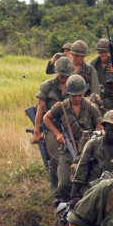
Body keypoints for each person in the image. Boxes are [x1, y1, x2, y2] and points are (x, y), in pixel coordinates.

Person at [43, 75, 103, 203]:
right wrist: (57, 134)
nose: (76, 98)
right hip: (67, 151)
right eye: (73, 95)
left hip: (87, 151)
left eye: (79, 95)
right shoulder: (62, 106)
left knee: (89, 184)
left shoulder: (91, 107)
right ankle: (70, 205)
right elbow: (46, 118)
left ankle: (83, 206)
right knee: (63, 184)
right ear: (68, 93)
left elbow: (100, 127)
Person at [33, 56, 75, 190]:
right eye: (62, 74)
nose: (64, 77)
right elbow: (40, 109)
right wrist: (36, 131)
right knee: (55, 157)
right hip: (51, 126)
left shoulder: (74, 85)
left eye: (67, 75)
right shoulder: (48, 86)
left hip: (70, 126)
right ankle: (57, 188)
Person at [68, 110, 113, 206]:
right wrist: (72, 197)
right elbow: (81, 172)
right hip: (92, 191)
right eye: (110, 130)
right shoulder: (92, 145)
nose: (112, 134)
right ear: (104, 127)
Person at [90, 38, 113, 112]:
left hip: (112, 98)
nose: (103, 54)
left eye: (105, 52)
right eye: (101, 52)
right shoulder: (94, 64)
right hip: (97, 97)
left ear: (109, 52)